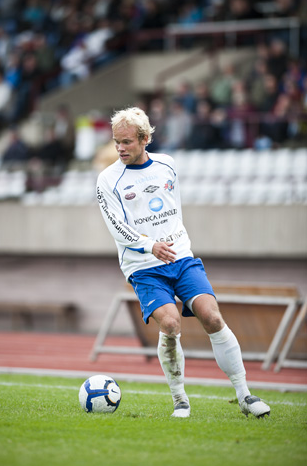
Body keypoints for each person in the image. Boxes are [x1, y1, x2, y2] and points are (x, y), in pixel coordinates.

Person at [96, 106, 270, 419]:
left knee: (212, 317)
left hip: (181, 258)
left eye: (127, 142)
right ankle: (180, 400)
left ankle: (244, 395)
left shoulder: (168, 165)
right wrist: (150, 245)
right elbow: (117, 227)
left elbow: (171, 209)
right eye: (116, 142)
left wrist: (173, 245)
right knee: (171, 323)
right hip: (144, 266)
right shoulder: (107, 180)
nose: (120, 148)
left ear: (145, 139)